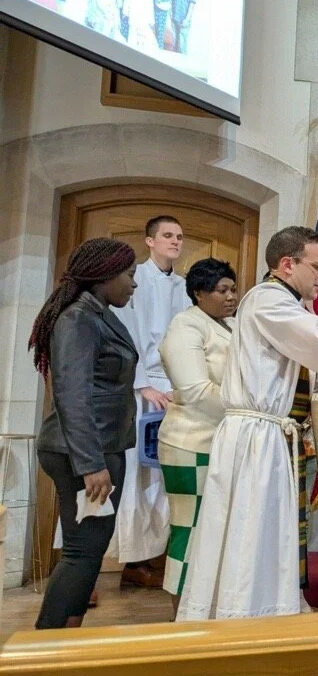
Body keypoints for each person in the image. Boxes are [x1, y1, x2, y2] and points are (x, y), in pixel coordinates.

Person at [177, 227, 318, 620]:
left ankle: (269, 610)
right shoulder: (267, 299)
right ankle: (240, 615)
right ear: (287, 264)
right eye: (317, 267)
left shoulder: (288, 306)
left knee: (269, 531)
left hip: (272, 436)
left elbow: (309, 370)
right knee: (251, 530)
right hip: (256, 438)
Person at [30, 238, 138, 628]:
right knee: (81, 551)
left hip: (100, 446)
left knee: (91, 549)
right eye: (129, 275)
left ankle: (68, 637)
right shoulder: (78, 318)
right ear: (104, 274)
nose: (133, 284)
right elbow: (72, 395)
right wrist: (91, 464)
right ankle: (46, 643)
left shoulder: (98, 314)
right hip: (83, 451)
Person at [111, 215, 189, 588]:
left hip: (174, 391)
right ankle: (132, 557)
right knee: (136, 476)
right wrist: (142, 384)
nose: (175, 241)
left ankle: (155, 557)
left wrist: (182, 387)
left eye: (180, 237)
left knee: (163, 478)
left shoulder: (186, 287)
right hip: (141, 391)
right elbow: (126, 334)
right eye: (167, 235)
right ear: (150, 241)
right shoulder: (134, 281)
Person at [157, 259, 237, 614]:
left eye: (233, 289)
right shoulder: (185, 326)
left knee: (215, 534)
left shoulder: (231, 325)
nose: (231, 296)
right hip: (189, 443)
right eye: (222, 290)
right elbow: (195, 391)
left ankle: (206, 610)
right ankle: (181, 615)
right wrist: (247, 410)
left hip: (221, 440)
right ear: (199, 293)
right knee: (188, 530)